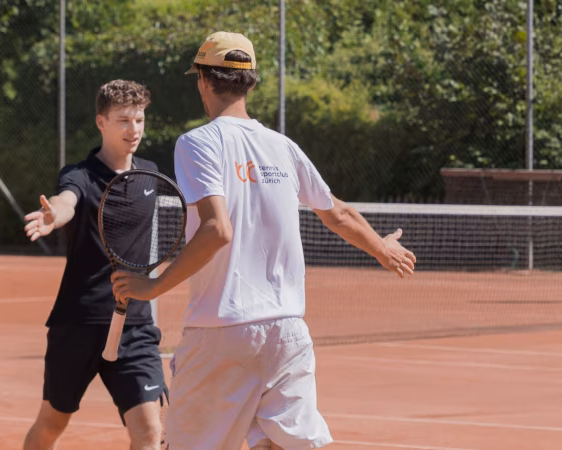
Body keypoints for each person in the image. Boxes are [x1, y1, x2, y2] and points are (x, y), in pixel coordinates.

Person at [111, 32, 417, 449]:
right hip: (287, 331)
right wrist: (383, 249)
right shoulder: (282, 146)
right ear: (250, 81)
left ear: (203, 81)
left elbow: (217, 230)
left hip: (221, 331)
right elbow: (338, 213)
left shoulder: (197, 143)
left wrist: (153, 286)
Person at [22, 79, 167, 450]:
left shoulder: (150, 174)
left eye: (138, 120)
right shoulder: (80, 176)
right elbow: (67, 200)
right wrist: (54, 215)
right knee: (51, 423)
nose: (133, 130)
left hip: (135, 325)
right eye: (123, 120)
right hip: (79, 322)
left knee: (150, 431)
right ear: (101, 122)